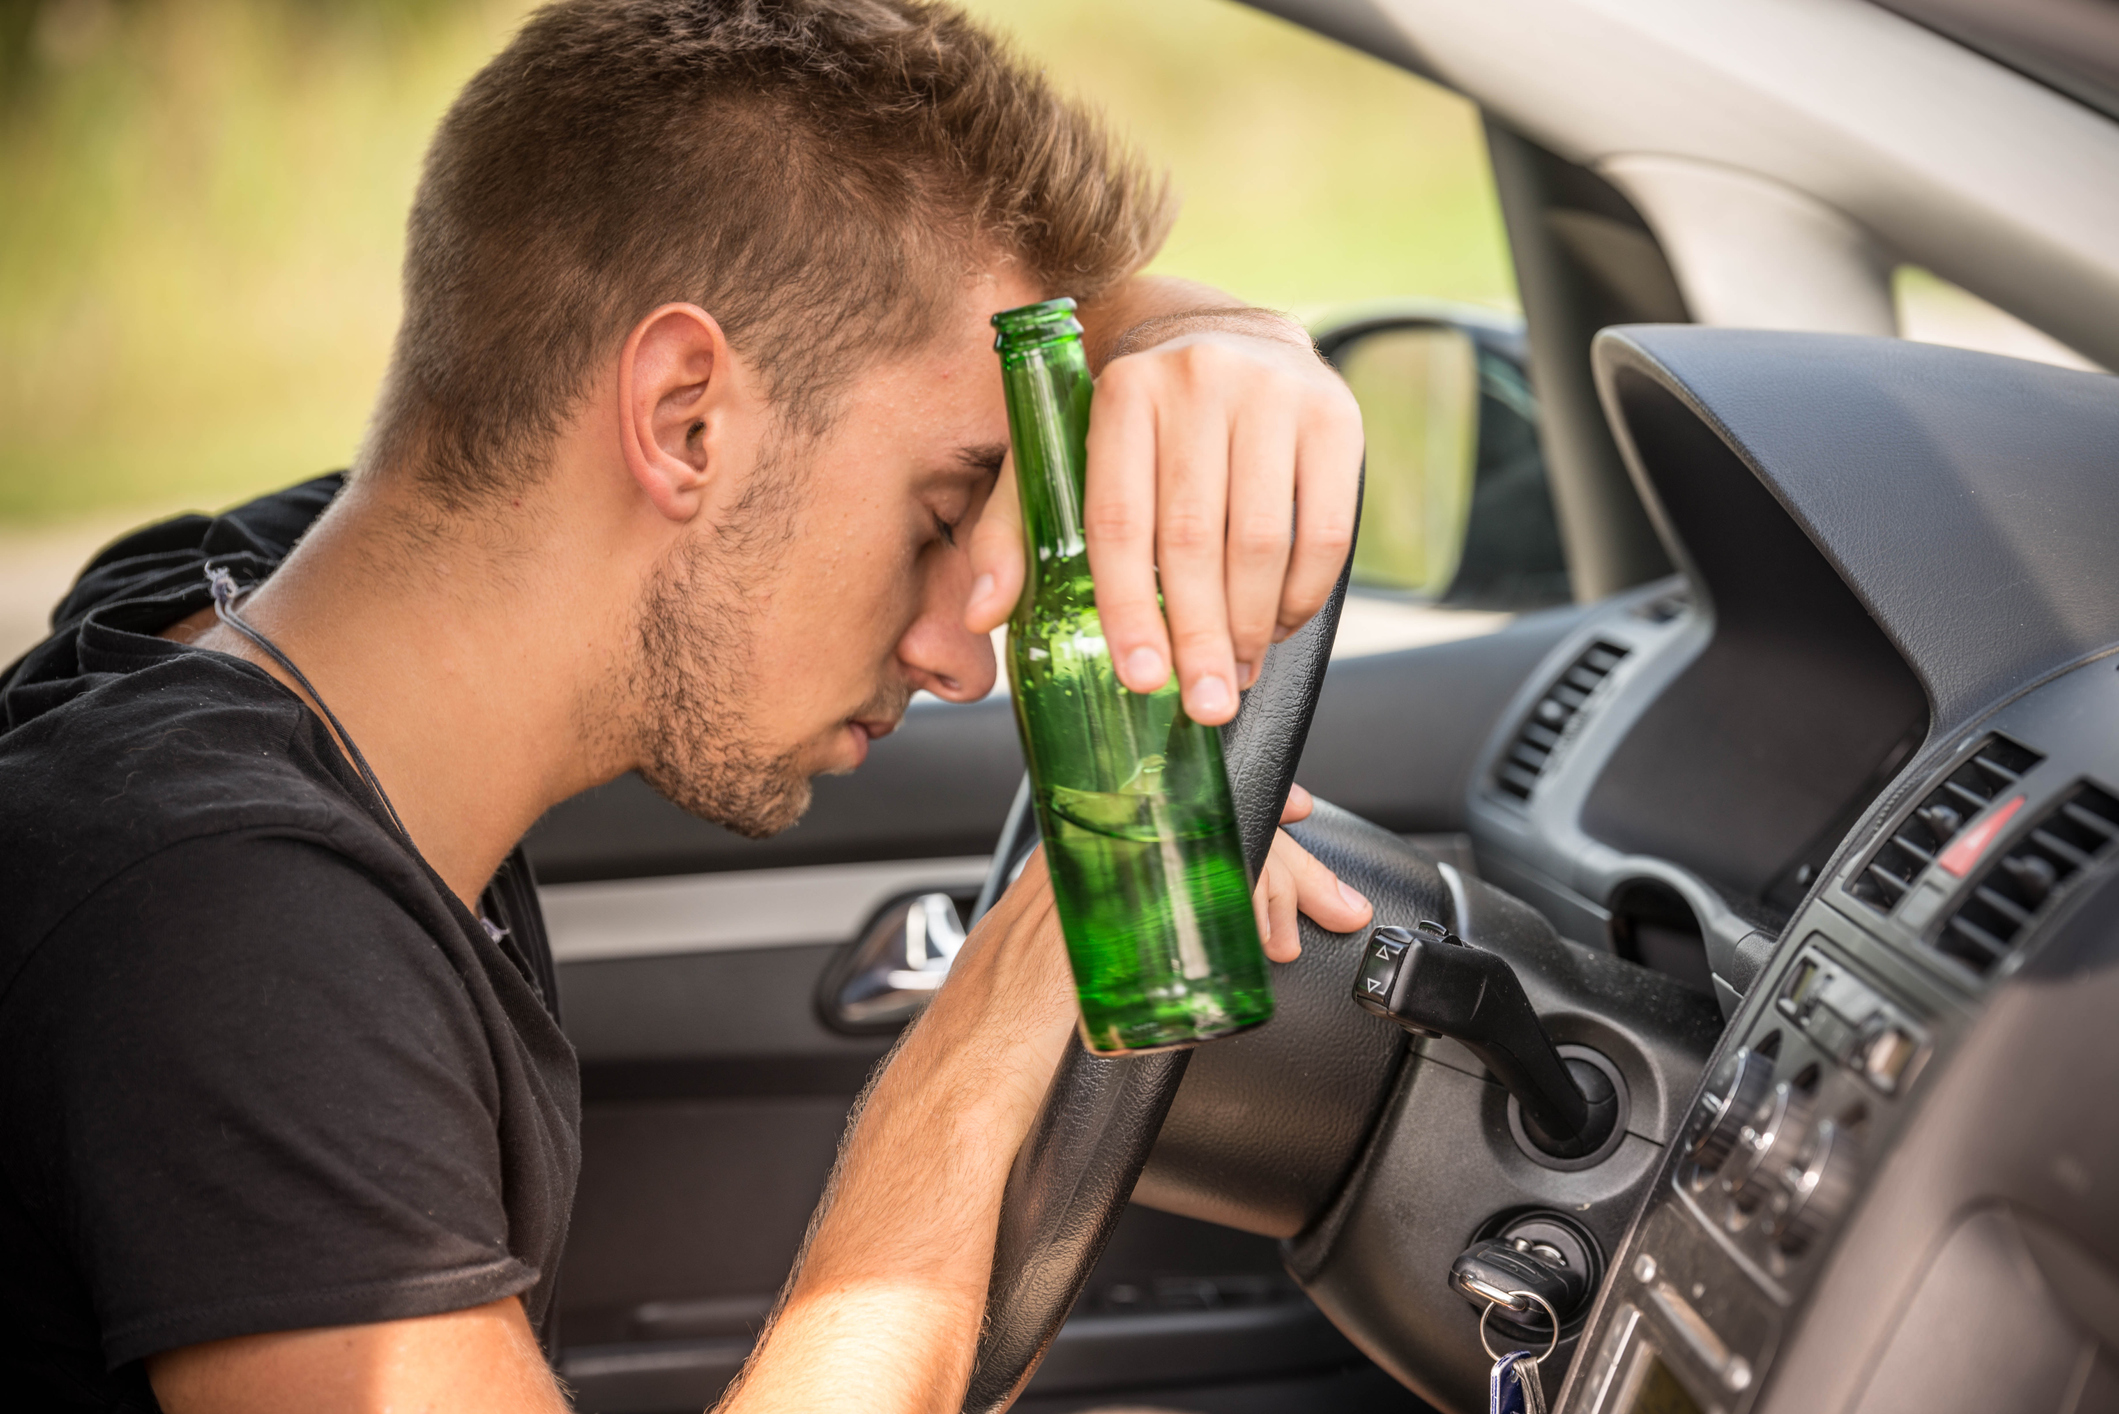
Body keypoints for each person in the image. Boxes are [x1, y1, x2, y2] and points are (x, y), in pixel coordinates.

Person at [0, 0, 1374, 1409]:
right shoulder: (231, 933)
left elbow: (1002, 318)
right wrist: (1001, 1012)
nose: (965, 659)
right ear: (682, 419)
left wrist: (1235, 342)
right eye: (944, 508)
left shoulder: (251, 608)